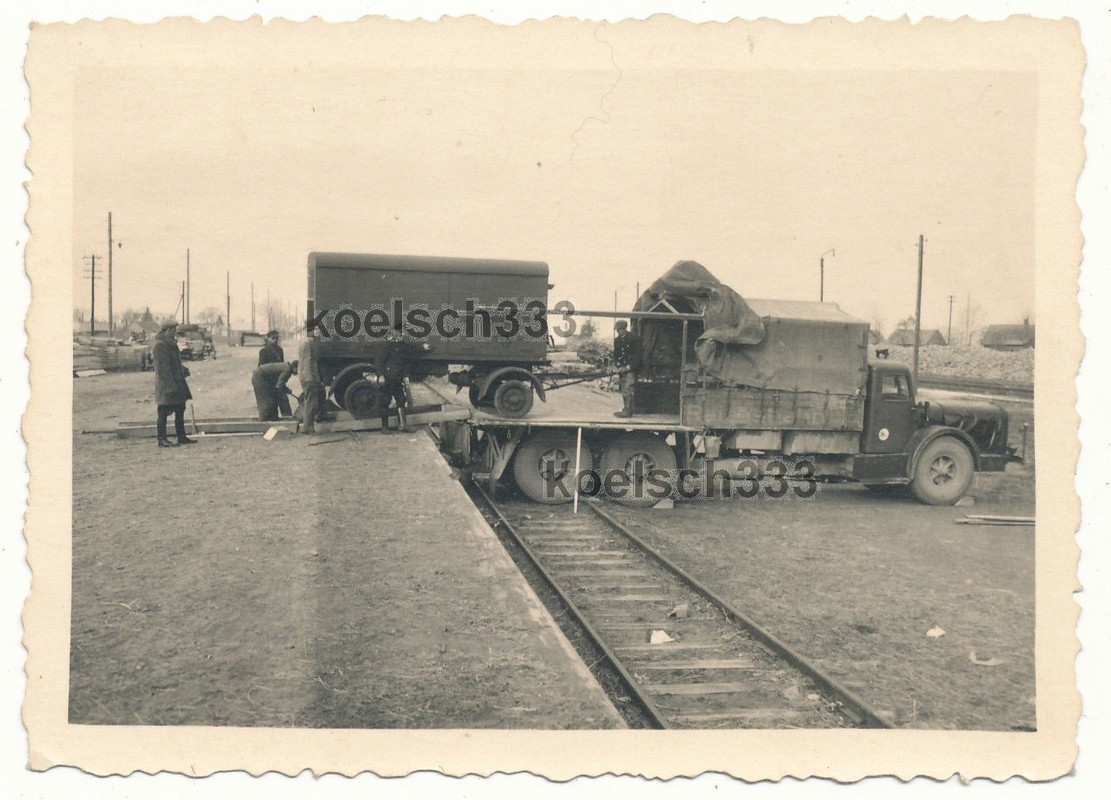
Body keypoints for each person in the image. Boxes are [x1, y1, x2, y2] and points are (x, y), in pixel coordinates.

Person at [151, 319, 197, 447]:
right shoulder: (160, 345)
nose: (175, 332)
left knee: (180, 408)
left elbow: (174, 362)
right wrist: (170, 387)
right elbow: (162, 369)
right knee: (163, 411)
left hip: (177, 382)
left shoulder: (170, 343)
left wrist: (183, 370)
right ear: (168, 330)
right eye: (174, 330)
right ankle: (162, 439)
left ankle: (181, 436)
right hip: (167, 384)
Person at [376, 324, 423, 434]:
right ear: (394, 332)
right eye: (399, 331)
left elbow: (412, 349)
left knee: (401, 400)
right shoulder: (387, 346)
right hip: (388, 378)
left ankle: (403, 425)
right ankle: (384, 428)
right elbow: (379, 361)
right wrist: (381, 375)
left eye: (402, 332)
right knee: (385, 401)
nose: (401, 333)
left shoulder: (401, 346)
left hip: (397, 379)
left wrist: (422, 348)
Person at [612, 319, 642, 418]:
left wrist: (629, 367)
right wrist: (618, 366)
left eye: (620, 330)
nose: (618, 332)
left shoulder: (634, 339)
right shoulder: (617, 340)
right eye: (617, 330)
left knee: (628, 388)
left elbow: (638, 356)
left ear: (625, 329)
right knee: (623, 388)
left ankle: (628, 410)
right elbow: (616, 355)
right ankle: (626, 408)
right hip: (622, 369)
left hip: (631, 369)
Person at [297, 325, 323, 434]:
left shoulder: (305, 342)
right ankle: (308, 428)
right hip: (308, 377)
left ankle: (308, 426)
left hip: (305, 376)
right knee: (310, 402)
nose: (318, 332)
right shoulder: (309, 343)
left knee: (310, 401)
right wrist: (311, 378)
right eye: (316, 329)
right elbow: (307, 362)